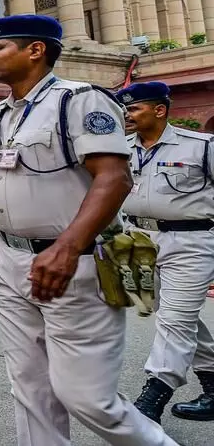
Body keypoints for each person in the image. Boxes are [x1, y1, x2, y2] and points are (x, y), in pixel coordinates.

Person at [0, 14, 174, 445]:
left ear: (36, 50)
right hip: (9, 261)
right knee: (29, 388)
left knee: (87, 398)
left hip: (73, 263)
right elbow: (1, 181)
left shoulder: (79, 101)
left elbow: (114, 178)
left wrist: (67, 247)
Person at [117, 81, 214, 423]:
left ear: (159, 110)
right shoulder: (119, 148)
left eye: (134, 108)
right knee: (173, 316)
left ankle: (152, 399)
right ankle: (213, 384)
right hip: (136, 240)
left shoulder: (201, 146)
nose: (127, 115)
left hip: (190, 242)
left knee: (175, 320)